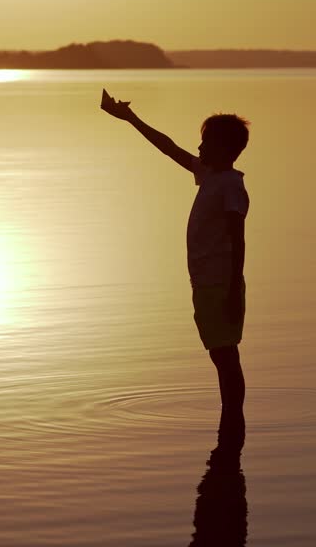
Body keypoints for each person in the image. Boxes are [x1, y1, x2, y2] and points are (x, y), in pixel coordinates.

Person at [101, 90, 251, 429]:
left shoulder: (231, 186)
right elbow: (169, 148)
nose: (198, 149)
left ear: (225, 150)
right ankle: (230, 419)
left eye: (205, 143)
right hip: (205, 282)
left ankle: (233, 419)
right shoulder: (211, 175)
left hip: (220, 283)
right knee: (219, 353)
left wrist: (230, 290)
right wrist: (131, 119)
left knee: (226, 355)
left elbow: (238, 239)